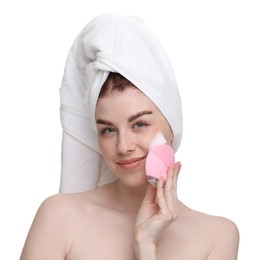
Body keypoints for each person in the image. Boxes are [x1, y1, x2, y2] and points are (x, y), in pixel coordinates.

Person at [20, 14, 239, 259]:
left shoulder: (217, 236)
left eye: (139, 124)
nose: (123, 146)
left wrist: (145, 246)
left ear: (171, 126)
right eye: (108, 130)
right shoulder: (59, 216)